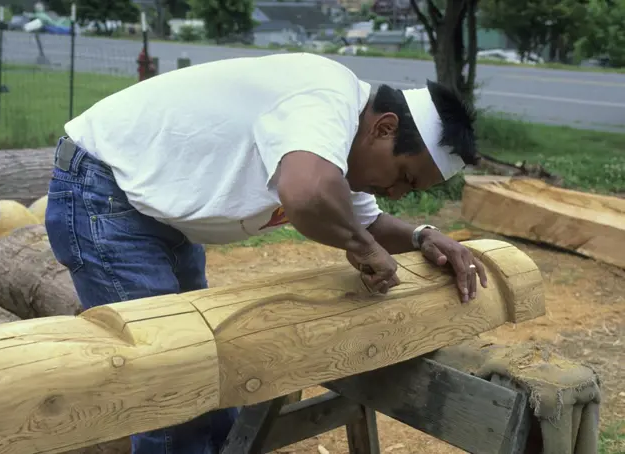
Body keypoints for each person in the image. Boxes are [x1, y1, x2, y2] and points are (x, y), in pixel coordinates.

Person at [44, 51, 488, 454]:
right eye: (405, 178)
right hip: (103, 191)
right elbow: (309, 195)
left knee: (206, 357)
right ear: (384, 127)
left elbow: (366, 220)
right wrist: (361, 247)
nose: (394, 191)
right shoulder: (326, 97)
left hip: (154, 211)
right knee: (168, 374)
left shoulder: (333, 143)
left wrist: (423, 236)